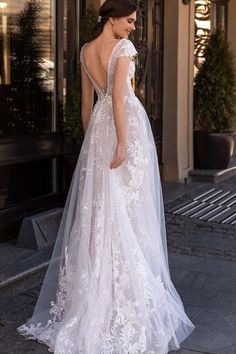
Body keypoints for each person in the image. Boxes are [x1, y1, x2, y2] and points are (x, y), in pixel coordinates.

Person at [17, 0, 195, 353]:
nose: (132, 28)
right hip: (123, 127)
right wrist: (123, 144)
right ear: (112, 18)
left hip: (99, 131)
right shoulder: (124, 48)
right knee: (129, 212)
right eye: (129, 21)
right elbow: (118, 98)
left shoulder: (85, 51)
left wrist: (93, 144)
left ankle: (98, 295)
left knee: (101, 213)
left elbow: (88, 104)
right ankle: (120, 300)